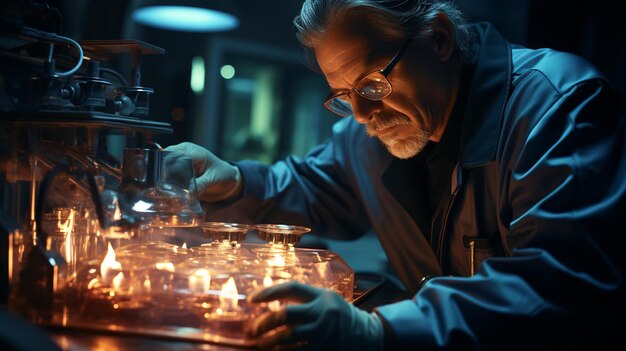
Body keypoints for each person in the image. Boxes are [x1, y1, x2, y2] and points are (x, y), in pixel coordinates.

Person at [166, 0, 626, 349]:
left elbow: (562, 283)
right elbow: (313, 187)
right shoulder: (365, 136)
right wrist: (236, 181)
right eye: (344, 94)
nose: (362, 115)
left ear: (439, 38)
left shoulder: (558, 104)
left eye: (371, 84)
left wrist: (378, 328)